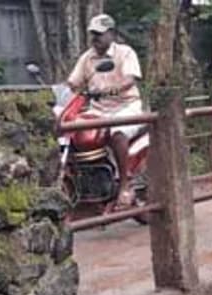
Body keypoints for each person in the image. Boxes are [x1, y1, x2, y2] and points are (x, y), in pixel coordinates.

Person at [67, 14, 143, 208]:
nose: (95, 38)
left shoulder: (125, 53)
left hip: (126, 106)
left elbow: (131, 79)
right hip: (99, 110)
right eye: (93, 34)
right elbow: (73, 82)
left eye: (100, 33)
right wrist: (62, 91)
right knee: (73, 132)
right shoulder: (87, 57)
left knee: (117, 132)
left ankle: (124, 185)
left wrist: (111, 90)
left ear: (112, 34)